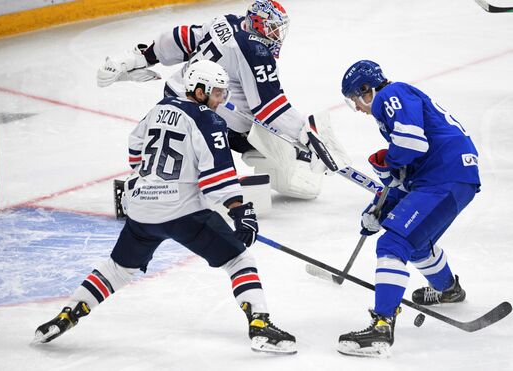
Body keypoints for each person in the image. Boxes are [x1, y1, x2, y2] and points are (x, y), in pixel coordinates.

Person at [35, 60, 296, 355]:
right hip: (184, 213)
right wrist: (240, 211)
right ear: (199, 91)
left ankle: (67, 315)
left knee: (118, 269)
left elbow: (135, 146)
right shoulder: (208, 120)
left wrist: (149, 180)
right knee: (239, 261)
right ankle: (260, 326)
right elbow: (218, 177)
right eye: (218, 93)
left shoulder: (159, 108)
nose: (222, 100)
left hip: (141, 210)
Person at [96, 0, 332, 200]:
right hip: (210, 115)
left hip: (178, 94)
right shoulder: (256, 51)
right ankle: (153, 188)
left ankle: (148, 180)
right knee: (231, 166)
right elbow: (271, 109)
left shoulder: (227, 21)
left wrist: (143, 57)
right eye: (272, 29)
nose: (277, 35)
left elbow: (185, 39)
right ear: (259, 24)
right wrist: (306, 134)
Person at [337, 60, 481, 357]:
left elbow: (412, 145)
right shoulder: (395, 105)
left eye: (356, 99)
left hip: (444, 176)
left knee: (393, 242)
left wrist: (388, 165)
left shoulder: (392, 95)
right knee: (414, 244)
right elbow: (407, 176)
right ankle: (448, 289)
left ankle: (381, 327)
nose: (359, 109)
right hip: (449, 176)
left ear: (367, 90)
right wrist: (379, 207)